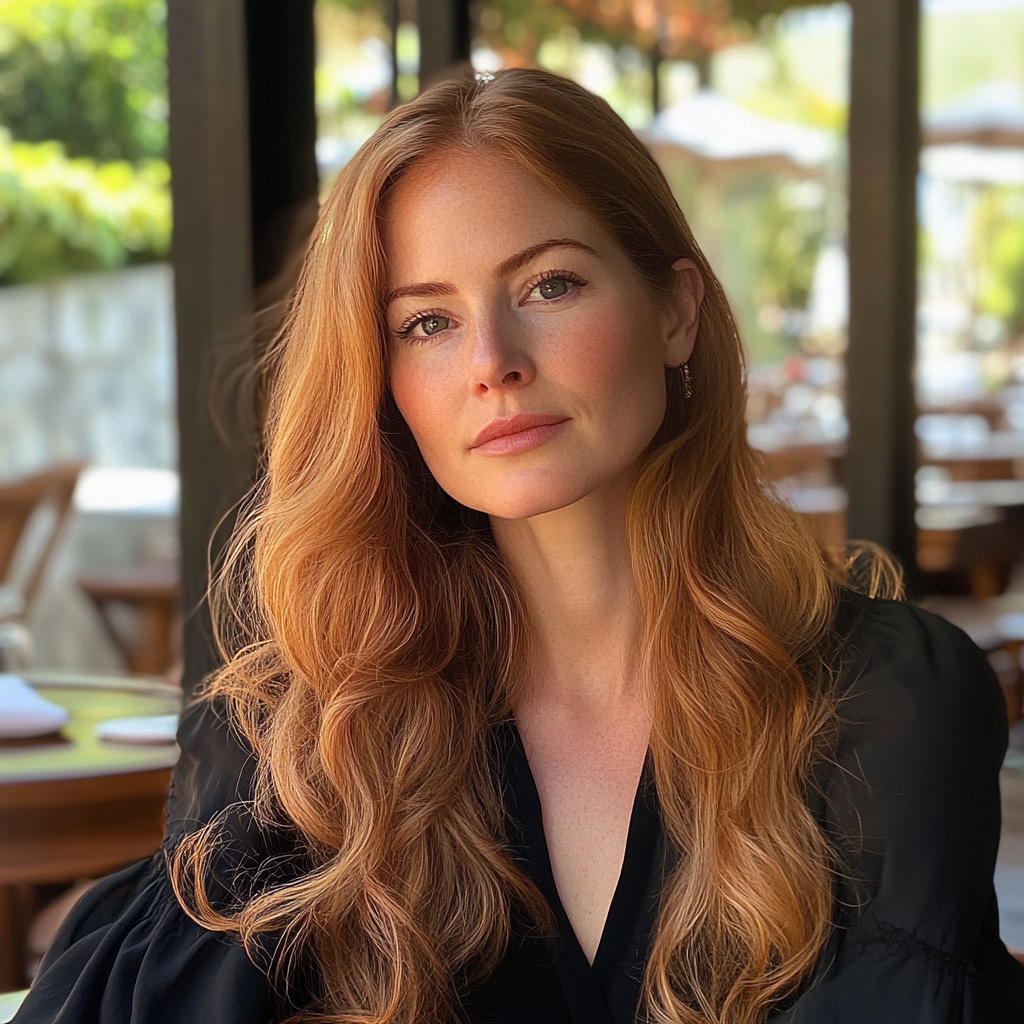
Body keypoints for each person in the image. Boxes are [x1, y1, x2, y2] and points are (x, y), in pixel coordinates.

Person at [15, 68, 1024, 1024]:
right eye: (425, 323)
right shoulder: (309, 732)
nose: (492, 363)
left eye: (549, 286)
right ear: (384, 385)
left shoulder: (889, 699)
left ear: (674, 311)